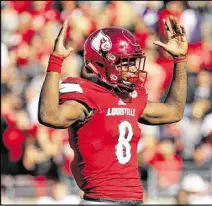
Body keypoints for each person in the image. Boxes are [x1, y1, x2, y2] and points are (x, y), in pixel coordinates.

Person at [38, 16, 188, 204]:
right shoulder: (87, 96)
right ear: (101, 63)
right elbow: (49, 115)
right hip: (100, 200)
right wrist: (56, 62)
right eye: (125, 62)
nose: (133, 68)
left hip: (135, 199)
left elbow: (174, 111)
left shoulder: (132, 97)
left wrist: (180, 60)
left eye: (134, 61)